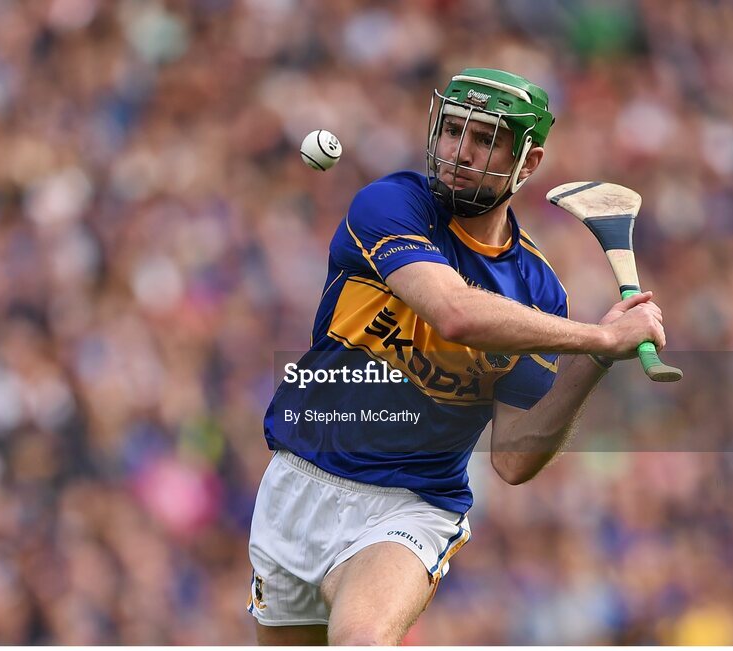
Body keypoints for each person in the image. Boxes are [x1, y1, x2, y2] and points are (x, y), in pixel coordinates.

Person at [247, 68, 665, 645]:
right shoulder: (391, 205)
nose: (459, 153)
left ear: (529, 163)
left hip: (411, 506)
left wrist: (596, 358)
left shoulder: (538, 292)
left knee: (361, 640)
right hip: (298, 482)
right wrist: (595, 338)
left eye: (485, 139)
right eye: (452, 132)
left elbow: (515, 459)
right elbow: (455, 314)